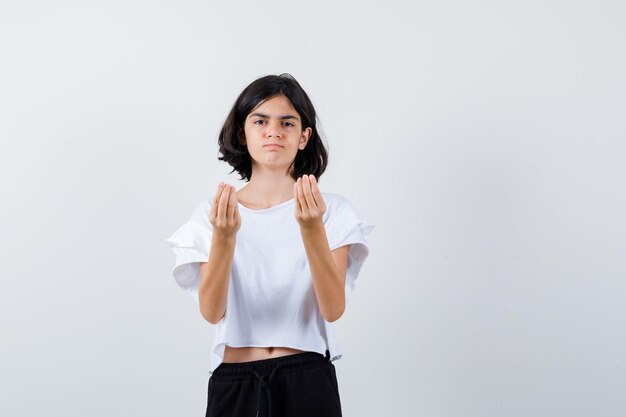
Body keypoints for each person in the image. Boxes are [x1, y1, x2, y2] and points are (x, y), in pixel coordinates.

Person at [165, 73, 375, 417]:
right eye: (260, 121)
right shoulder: (214, 213)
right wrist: (224, 237)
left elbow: (333, 308)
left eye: (287, 123)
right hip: (235, 379)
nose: (273, 131)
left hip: (306, 376)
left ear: (304, 136)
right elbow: (212, 311)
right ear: (241, 133)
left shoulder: (332, 211)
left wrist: (311, 230)